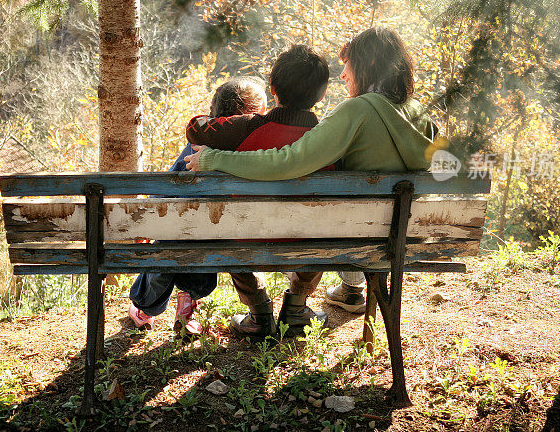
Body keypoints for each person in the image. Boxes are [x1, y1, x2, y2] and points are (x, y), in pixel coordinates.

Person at [185, 27, 439, 320]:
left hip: (346, 235)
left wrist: (215, 159)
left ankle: (271, 307)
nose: (343, 75)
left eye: (348, 64)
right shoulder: (419, 113)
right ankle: (340, 293)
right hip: (397, 237)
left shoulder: (356, 111)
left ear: (368, 65)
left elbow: (288, 162)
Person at [185, 44, 332, 339]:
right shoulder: (327, 137)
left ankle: (258, 312)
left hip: (245, 238)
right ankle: (297, 307)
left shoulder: (243, 128)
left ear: (273, 88)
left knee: (228, 227)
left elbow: (195, 129)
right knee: (325, 224)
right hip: (307, 239)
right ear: (321, 95)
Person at [128, 78, 268, 334]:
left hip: (191, 233)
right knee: (202, 235)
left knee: (173, 240)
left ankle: (145, 307)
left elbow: (164, 192)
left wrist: (147, 224)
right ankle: (188, 300)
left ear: (215, 114)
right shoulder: (263, 150)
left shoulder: (198, 147)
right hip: (235, 235)